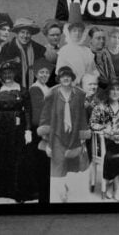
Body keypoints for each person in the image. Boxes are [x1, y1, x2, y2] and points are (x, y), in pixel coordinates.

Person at [37, 66, 91, 203]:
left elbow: (83, 117)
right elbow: (45, 115)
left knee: (72, 165)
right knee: (58, 165)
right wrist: (45, 133)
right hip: (57, 134)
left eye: (68, 76)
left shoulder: (78, 95)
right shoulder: (53, 94)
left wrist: (83, 135)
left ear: (72, 79)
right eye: (63, 76)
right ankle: (60, 195)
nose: (66, 79)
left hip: (72, 135)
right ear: (59, 79)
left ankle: (66, 188)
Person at [0, 59, 37, 203]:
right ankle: (4, 189)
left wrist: (28, 130)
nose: (8, 76)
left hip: (18, 129)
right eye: (5, 73)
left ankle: (19, 191)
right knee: (4, 158)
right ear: (2, 76)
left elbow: (28, 111)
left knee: (19, 158)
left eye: (10, 73)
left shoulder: (23, 91)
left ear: (15, 74)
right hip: (3, 131)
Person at [28, 58, 54, 203]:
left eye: (46, 72)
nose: (44, 75)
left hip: (46, 127)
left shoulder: (47, 88)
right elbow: (39, 113)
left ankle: (44, 191)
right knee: (40, 161)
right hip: (39, 129)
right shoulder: (35, 89)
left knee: (45, 162)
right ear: (36, 74)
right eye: (41, 72)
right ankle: (40, 193)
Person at [0, 18, 46, 89]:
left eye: (28, 33)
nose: (25, 36)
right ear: (17, 33)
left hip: (34, 88)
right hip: (13, 89)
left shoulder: (38, 49)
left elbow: (43, 71)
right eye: (22, 32)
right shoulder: (7, 49)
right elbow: (0, 71)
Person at [55, 7, 97, 87]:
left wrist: (89, 81)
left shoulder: (87, 51)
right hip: (69, 85)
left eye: (79, 31)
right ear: (69, 32)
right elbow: (60, 72)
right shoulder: (64, 51)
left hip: (86, 86)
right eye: (74, 31)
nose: (77, 34)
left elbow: (93, 71)